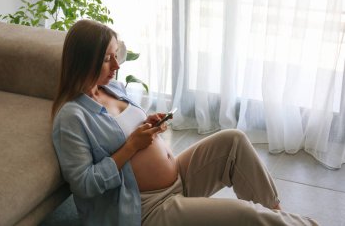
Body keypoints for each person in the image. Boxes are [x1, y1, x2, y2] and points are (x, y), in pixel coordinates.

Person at [51, 19, 319, 226]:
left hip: (178, 176)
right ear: (86, 60)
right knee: (245, 216)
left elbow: (127, 128)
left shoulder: (112, 88)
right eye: (107, 59)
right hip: (146, 208)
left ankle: (277, 215)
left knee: (233, 141)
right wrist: (131, 146)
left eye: (115, 55)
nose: (117, 66)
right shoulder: (72, 118)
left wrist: (148, 123)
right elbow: (84, 185)